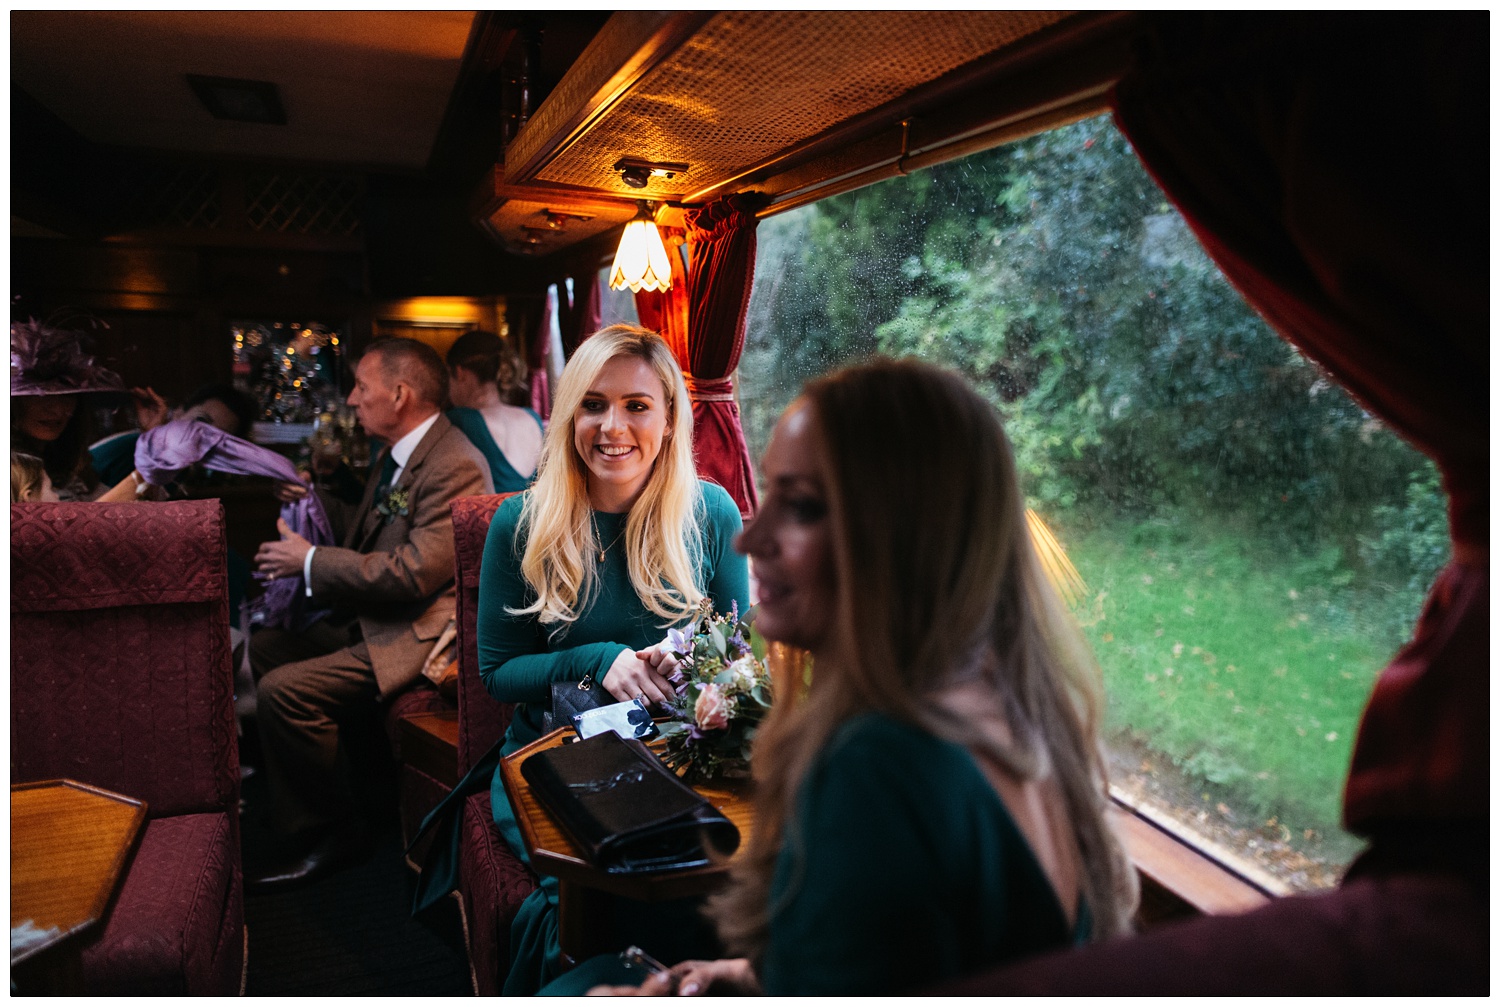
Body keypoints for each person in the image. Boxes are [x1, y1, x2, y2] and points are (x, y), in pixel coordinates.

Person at [580, 359, 1139, 996]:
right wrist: (742, 979)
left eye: (805, 507)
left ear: (905, 536)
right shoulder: (1019, 713)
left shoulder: (875, 771)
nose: (749, 539)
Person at [478, 324, 750, 994]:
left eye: (637, 405)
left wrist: (686, 656)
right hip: (557, 762)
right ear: (569, 414)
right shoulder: (519, 522)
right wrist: (598, 658)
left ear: (667, 418)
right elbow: (497, 674)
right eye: (593, 404)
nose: (612, 426)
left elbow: (745, 655)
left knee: (712, 892)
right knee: (603, 904)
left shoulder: (712, 511)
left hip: (683, 760)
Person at [247, 336, 492, 889]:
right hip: (377, 620)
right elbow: (367, 530)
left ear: (400, 394)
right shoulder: (396, 454)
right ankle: (347, 786)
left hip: (421, 633)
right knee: (265, 647)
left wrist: (308, 560)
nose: (352, 400)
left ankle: (332, 831)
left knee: (284, 690)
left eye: (361, 386)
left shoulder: (455, 463)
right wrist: (310, 497)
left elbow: (413, 572)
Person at [10, 318, 161, 501]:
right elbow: (80, 525)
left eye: (67, 396)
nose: (57, 410)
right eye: (41, 396)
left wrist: (152, 436)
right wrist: (151, 463)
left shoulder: (68, 464)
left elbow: (130, 515)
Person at [88, 381, 259, 488]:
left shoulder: (181, 471)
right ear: (178, 412)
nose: (202, 436)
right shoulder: (133, 449)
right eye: (200, 421)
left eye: (218, 437)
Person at [444, 329, 544, 492]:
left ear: (460, 373)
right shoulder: (532, 417)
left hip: (493, 517)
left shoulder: (458, 421)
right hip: (538, 516)